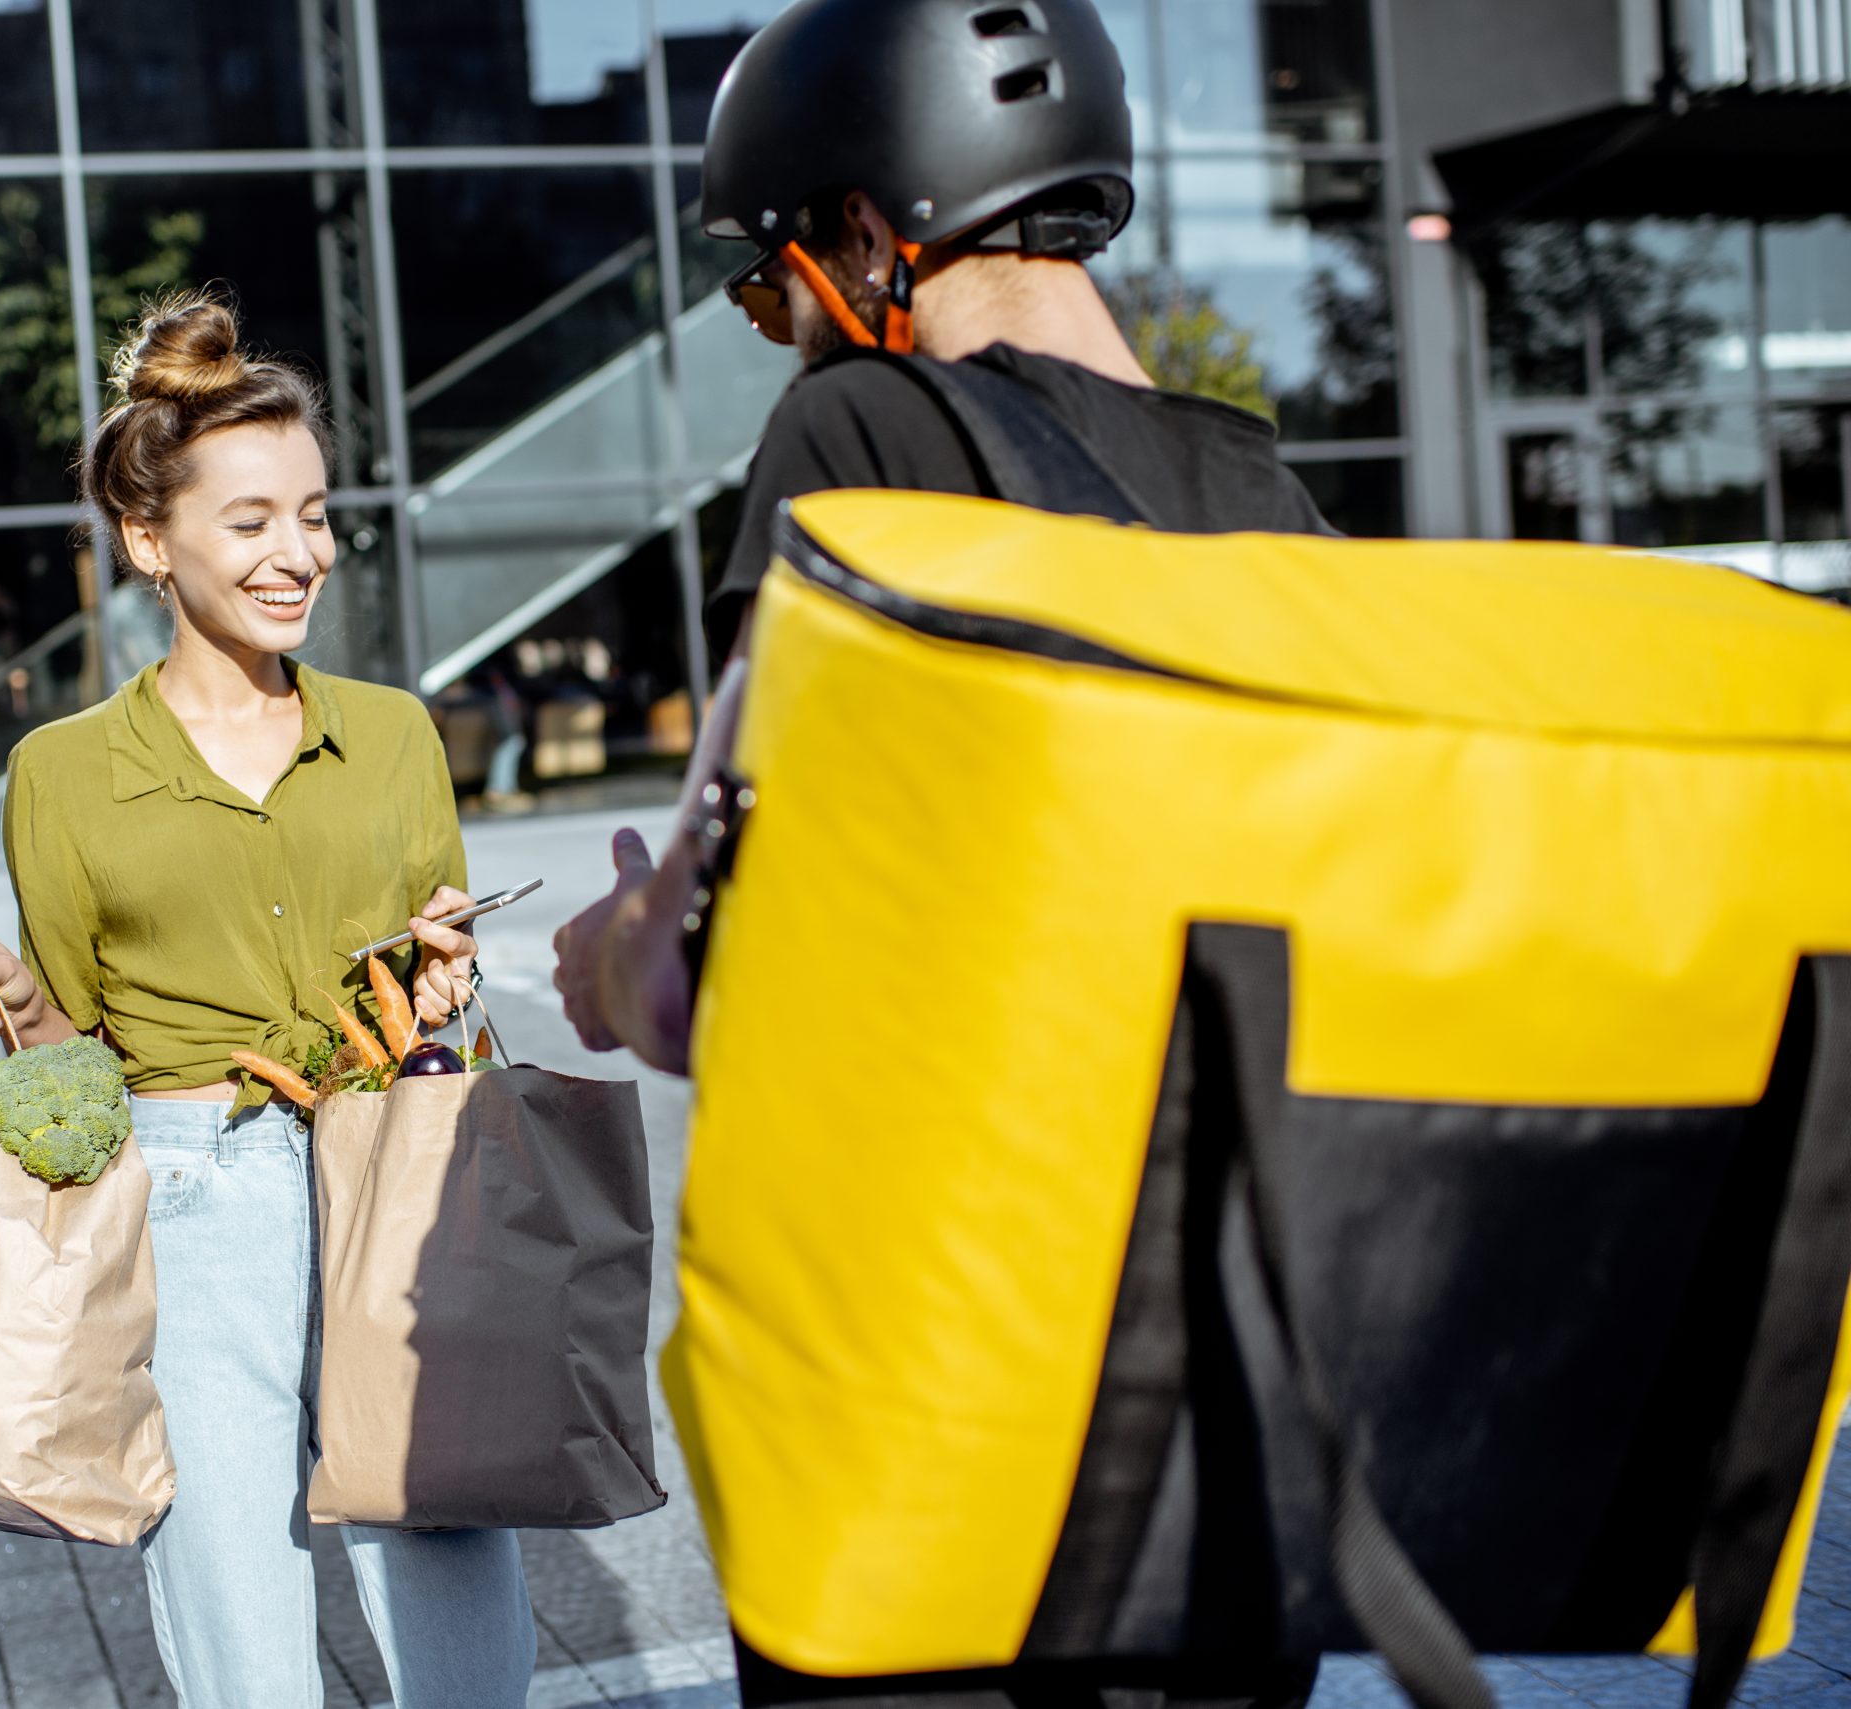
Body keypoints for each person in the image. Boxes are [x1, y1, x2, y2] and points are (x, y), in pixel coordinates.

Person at [550, 1, 1335, 1703]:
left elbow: (709, 973)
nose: (784, 333)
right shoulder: (1276, 507)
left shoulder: (863, 440)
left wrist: (611, 946)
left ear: (860, 231)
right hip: (1221, 1424)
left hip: (934, 1422)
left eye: (771, 288)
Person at [0, 289, 538, 1709]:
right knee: (234, 1601)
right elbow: (75, 1057)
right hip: (190, 1202)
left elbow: (442, 988)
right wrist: (14, 998)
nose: (297, 553)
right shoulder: (61, 775)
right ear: (153, 539)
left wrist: (445, 979)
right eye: (252, 520)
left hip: (386, 1169)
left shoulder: (392, 736)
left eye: (313, 515)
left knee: (442, 1542)